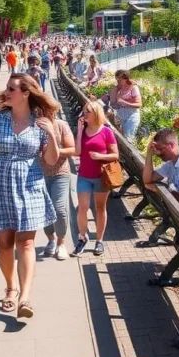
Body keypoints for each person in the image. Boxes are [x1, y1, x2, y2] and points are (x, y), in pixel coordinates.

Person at [0, 74, 60, 318]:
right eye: (7, 88)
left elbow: (51, 160)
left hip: (30, 186)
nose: (7, 93)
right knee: (5, 244)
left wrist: (52, 134)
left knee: (27, 243)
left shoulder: (41, 123)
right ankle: (11, 288)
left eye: (12, 89)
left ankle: (25, 297)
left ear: (26, 93)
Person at [73, 102, 119, 256]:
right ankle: (82, 237)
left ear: (96, 114)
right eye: (83, 111)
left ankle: (99, 241)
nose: (84, 114)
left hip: (101, 176)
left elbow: (115, 155)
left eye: (88, 111)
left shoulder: (106, 131)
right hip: (84, 176)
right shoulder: (83, 130)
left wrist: (100, 156)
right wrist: (80, 131)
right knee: (83, 207)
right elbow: (77, 152)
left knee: (100, 208)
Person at [41, 112, 76, 261]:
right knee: (45, 209)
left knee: (59, 208)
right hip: (39, 174)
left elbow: (72, 149)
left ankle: (61, 243)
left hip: (60, 172)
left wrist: (54, 151)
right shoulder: (33, 125)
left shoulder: (61, 125)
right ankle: (51, 239)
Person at [109, 70, 141, 139]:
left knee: (128, 138)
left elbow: (139, 104)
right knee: (121, 138)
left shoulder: (133, 87)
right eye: (116, 79)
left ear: (126, 78)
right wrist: (115, 89)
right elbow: (113, 103)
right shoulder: (118, 88)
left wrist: (124, 102)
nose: (117, 81)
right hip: (121, 116)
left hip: (131, 116)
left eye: (119, 79)